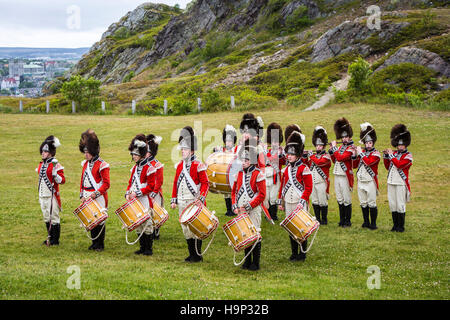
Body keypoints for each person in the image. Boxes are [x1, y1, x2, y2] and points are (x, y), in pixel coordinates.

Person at [171, 126, 209, 262]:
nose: (182, 151)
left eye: (185, 149)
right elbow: (176, 182)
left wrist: (201, 198)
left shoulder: (198, 165)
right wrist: (174, 199)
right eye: (181, 149)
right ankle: (191, 253)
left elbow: (205, 183)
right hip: (182, 201)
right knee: (185, 229)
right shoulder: (180, 166)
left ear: (192, 150)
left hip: (194, 201)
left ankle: (197, 255)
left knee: (196, 228)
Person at [277, 131, 313, 262]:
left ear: (298, 155)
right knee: (291, 228)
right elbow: (283, 186)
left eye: (292, 154)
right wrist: (280, 202)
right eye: (288, 154)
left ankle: (302, 253)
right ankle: (294, 252)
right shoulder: (285, 169)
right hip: (288, 202)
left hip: (299, 202)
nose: (289, 156)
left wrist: (303, 201)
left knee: (301, 228)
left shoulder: (304, 168)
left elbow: (308, 188)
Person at [231, 139, 266, 271]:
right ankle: (247, 261)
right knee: (245, 234)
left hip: (253, 209)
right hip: (240, 210)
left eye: (246, 161)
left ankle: (255, 263)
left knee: (255, 234)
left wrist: (249, 206)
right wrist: (234, 205)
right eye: (242, 160)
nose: (243, 163)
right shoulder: (239, 174)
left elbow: (262, 195)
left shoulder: (258, 174)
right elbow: (234, 192)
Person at [79, 129, 110, 251]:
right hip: (87, 194)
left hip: (99, 195)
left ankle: (100, 244)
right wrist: (81, 194)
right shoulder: (85, 164)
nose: (86, 154)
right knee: (91, 219)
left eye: (88, 152)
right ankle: (94, 243)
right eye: (85, 152)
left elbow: (106, 184)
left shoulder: (102, 164)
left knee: (100, 220)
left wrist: (96, 194)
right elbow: (82, 180)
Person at [126, 134, 156, 255]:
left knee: (147, 224)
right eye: (133, 154)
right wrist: (127, 193)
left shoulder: (150, 168)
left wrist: (137, 193)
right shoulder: (134, 169)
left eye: (136, 154)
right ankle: (142, 247)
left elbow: (151, 187)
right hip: (135, 199)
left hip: (144, 199)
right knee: (138, 222)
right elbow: (130, 183)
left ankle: (148, 248)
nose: (133, 156)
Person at [384, 124, 413, 232]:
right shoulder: (394, 153)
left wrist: (391, 156)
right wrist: (386, 156)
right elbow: (388, 167)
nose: (400, 147)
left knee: (400, 204)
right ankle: (395, 225)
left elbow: (400, 165)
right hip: (391, 182)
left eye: (402, 145)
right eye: (398, 145)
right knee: (393, 204)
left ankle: (401, 226)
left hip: (401, 182)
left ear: (405, 145)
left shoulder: (408, 156)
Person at [37, 136, 65, 246]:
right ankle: (49, 237)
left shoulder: (55, 164)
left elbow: (62, 180)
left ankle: (55, 240)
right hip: (42, 195)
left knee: (54, 217)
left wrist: (56, 175)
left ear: (51, 153)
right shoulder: (41, 164)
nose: (43, 153)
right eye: (42, 151)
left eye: (46, 151)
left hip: (51, 195)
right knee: (46, 216)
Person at [353, 123, 381, 230]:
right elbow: (355, 165)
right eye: (366, 143)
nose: (368, 145)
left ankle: (373, 223)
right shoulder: (362, 153)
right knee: (363, 203)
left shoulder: (376, 154)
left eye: (370, 143)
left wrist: (360, 153)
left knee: (371, 203)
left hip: (370, 182)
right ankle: (366, 222)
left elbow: (369, 162)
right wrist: (355, 154)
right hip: (361, 181)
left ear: (373, 143)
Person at [329, 118, 355, 227]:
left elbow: (340, 158)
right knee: (339, 198)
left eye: (346, 137)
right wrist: (331, 151)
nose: (344, 139)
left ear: (349, 137)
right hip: (337, 174)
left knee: (346, 198)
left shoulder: (350, 149)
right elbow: (334, 160)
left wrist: (334, 148)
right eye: (343, 137)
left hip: (344, 176)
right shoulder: (339, 147)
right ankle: (342, 219)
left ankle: (347, 221)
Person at [306, 126, 331, 225]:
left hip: (321, 182)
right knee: (315, 201)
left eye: (320, 146)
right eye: (317, 145)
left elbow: (319, 162)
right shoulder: (314, 157)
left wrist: (311, 155)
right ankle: (317, 219)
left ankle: (324, 220)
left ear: (324, 146)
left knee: (322, 201)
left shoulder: (326, 156)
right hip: (313, 182)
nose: (318, 147)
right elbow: (308, 165)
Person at [213, 124, 238, 217]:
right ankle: (229, 210)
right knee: (226, 194)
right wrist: (216, 150)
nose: (228, 143)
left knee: (234, 191)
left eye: (230, 141)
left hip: (234, 174)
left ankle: (234, 207)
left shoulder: (236, 149)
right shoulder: (222, 149)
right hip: (225, 175)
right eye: (227, 141)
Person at [264, 122, 286, 221]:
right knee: (267, 196)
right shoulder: (266, 151)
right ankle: (267, 214)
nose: (274, 143)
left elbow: (283, 161)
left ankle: (274, 215)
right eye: (273, 141)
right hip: (266, 177)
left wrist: (281, 153)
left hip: (275, 178)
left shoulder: (281, 152)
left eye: (276, 141)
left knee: (273, 197)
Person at [146, 134, 164, 240]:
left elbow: (159, 181)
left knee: (155, 212)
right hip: (145, 192)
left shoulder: (157, 165)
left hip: (155, 193)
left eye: (147, 151)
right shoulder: (143, 164)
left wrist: (153, 193)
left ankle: (156, 231)